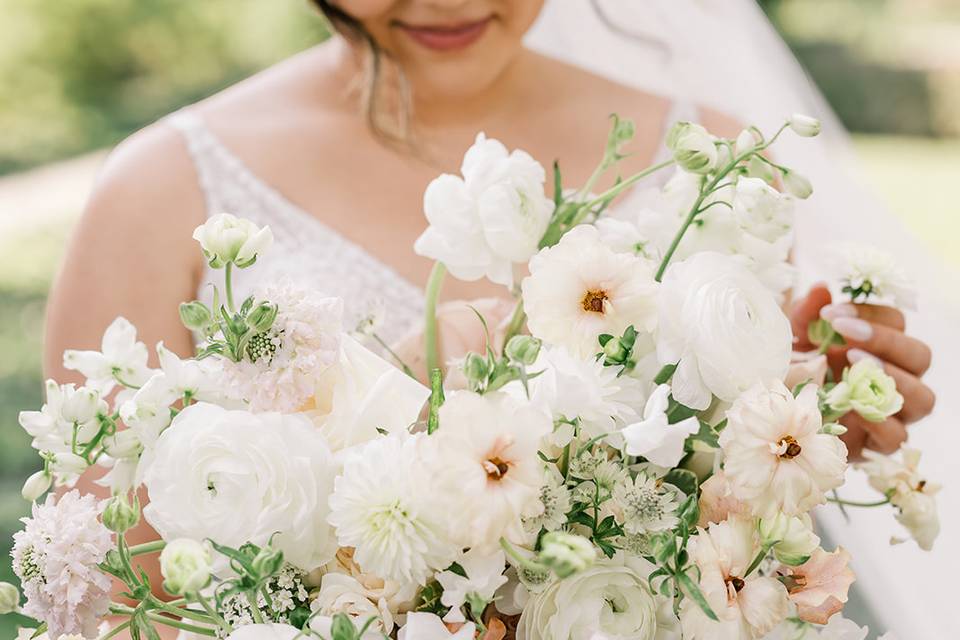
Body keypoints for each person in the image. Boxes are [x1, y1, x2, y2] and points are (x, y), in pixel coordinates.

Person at [41, 1, 937, 637]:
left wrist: (801, 436)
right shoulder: (158, 191)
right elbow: (110, 601)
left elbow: (741, 538)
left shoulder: (718, 163)